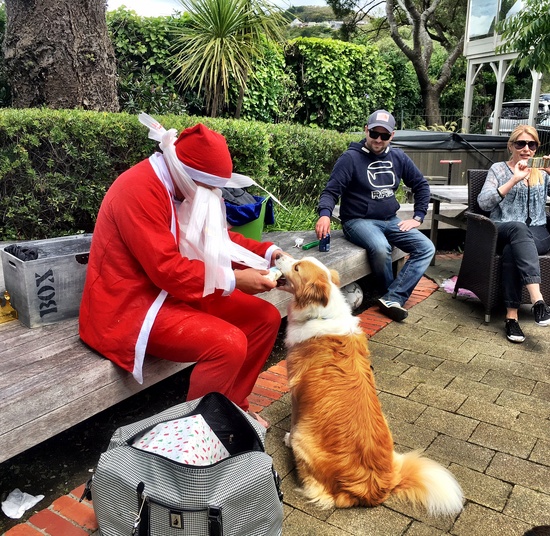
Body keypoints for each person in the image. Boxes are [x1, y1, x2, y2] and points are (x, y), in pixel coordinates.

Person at [79, 116, 288, 427]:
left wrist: (271, 255)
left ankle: (232, 407)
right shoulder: (138, 189)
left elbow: (218, 239)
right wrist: (234, 280)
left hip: (174, 290)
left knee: (264, 319)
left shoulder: (181, 184)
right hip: (132, 305)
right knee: (227, 344)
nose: (215, 194)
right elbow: (166, 269)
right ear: (189, 175)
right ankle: (195, 433)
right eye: (211, 187)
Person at [315, 109, 435, 321]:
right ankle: (389, 294)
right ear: (366, 130)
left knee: (426, 248)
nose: (378, 139)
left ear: (392, 136)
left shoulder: (398, 157)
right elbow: (331, 191)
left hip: (391, 220)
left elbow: (421, 185)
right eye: (374, 133)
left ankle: (392, 298)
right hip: (358, 221)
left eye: (384, 135)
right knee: (381, 248)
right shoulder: (350, 158)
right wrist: (324, 214)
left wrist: (418, 217)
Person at [477, 125, 550, 343]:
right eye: (521, 144)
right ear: (511, 146)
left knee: (513, 249)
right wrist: (513, 180)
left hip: (537, 231)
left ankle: (511, 317)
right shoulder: (498, 170)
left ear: (536, 148)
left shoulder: (542, 173)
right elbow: (483, 203)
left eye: (532, 144)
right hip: (502, 228)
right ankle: (538, 300)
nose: (526, 149)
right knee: (517, 228)